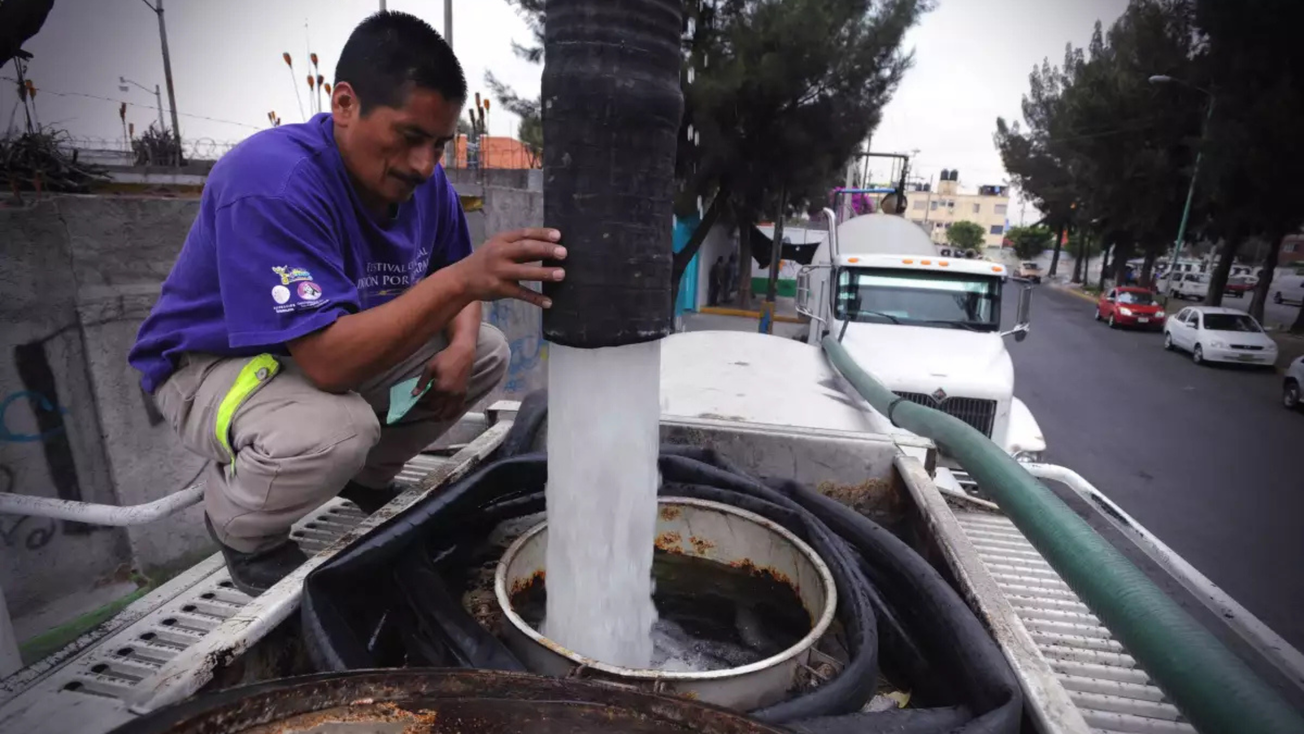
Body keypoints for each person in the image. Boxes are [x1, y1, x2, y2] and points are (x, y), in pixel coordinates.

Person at [128, 11, 565, 595]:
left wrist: (459, 342)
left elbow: (450, 277)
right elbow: (332, 363)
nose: (424, 164)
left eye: (438, 144)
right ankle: (241, 527)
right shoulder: (273, 180)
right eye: (410, 136)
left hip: (311, 353)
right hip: (209, 364)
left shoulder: (424, 187)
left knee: (482, 353)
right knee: (337, 429)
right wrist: (462, 283)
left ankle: (370, 479)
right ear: (344, 104)